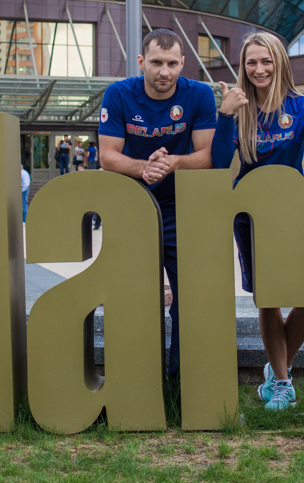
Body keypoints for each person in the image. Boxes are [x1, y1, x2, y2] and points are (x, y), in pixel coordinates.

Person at [212, 31, 304, 411]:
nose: (259, 69)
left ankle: (277, 369)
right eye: (252, 62)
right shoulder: (236, 105)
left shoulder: (301, 107)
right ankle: (284, 384)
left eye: (266, 61)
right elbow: (220, 163)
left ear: (280, 63)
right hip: (251, 215)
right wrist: (225, 116)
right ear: (244, 66)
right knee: (268, 300)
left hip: (291, 212)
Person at [99, 28, 217, 388]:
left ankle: (180, 383)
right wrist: (143, 168)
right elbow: (107, 156)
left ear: (182, 63)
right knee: (135, 297)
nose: (163, 71)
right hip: (134, 209)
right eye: (155, 63)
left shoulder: (199, 95)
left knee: (189, 298)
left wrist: (172, 163)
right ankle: (141, 384)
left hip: (184, 210)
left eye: (171, 63)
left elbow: (209, 155)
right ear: (141, 62)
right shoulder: (119, 94)